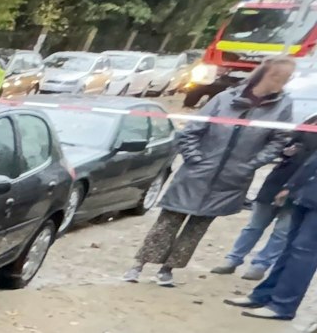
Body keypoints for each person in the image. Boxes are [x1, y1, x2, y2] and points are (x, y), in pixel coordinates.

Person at [123, 55, 297, 286]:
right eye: (283, 77)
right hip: (197, 172)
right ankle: (139, 264)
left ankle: (168, 269)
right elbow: (192, 130)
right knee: (168, 220)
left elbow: (279, 139)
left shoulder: (283, 106)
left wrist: (251, 164)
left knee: (197, 227)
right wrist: (195, 158)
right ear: (269, 75)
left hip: (232, 178)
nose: (284, 83)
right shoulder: (225, 98)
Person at [208, 112, 317, 280]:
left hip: (300, 191)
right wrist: (286, 152)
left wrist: (291, 188)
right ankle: (233, 259)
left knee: (281, 232)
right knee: (254, 226)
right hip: (274, 184)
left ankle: (260, 265)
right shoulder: (303, 128)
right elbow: (282, 146)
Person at [225, 134, 317, 319]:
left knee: (303, 253)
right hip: (305, 194)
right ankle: (264, 296)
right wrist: (290, 186)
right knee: (290, 249)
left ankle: (283, 305)